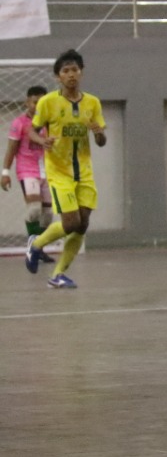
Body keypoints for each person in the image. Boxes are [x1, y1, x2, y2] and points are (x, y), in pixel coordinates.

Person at [24, 51, 107, 288]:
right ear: (57, 77)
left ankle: (57, 274)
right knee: (70, 223)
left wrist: (99, 134)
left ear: (81, 72)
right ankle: (37, 244)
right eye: (65, 71)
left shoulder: (92, 103)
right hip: (59, 172)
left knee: (82, 224)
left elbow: (101, 141)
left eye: (75, 70)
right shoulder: (48, 102)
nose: (71, 75)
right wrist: (42, 141)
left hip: (85, 172)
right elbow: (31, 131)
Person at [3, 84, 55, 265]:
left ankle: (39, 248)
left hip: (47, 171)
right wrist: (5, 172)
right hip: (27, 170)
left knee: (48, 215)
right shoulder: (20, 123)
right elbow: (11, 149)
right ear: (27, 102)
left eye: (41, 102)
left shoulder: (51, 122)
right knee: (34, 209)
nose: (37, 106)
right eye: (34, 102)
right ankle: (33, 247)